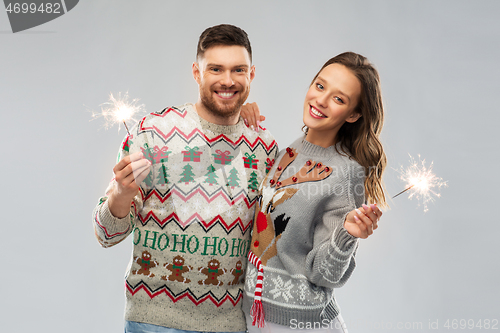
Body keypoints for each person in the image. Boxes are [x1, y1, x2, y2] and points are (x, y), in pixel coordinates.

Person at [92, 24, 279, 333]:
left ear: (252, 74)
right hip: (152, 321)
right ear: (196, 72)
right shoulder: (152, 132)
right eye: (216, 69)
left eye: (238, 70)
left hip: (229, 324)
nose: (228, 80)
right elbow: (105, 234)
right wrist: (121, 195)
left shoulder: (265, 147)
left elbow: (269, 240)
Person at [240, 52, 386, 333]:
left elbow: (325, 274)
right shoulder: (287, 153)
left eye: (339, 98)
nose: (320, 100)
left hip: (302, 325)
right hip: (255, 318)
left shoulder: (347, 172)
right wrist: (240, 118)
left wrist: (347, 235)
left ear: (354, 114)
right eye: (320, 86)